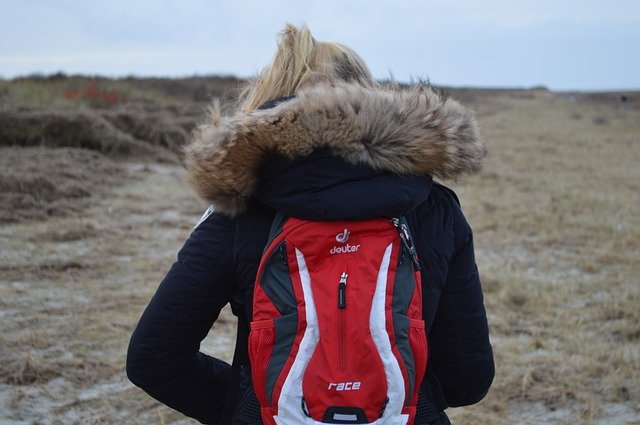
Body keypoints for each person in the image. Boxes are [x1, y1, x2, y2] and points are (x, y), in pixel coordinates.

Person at [127, 24, 494, 425]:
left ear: (271, 97)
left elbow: (154, 359)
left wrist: (247, 409)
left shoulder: (239, 214)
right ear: (370, 97)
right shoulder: (435, 207)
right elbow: (467, 380)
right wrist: (404, 404)